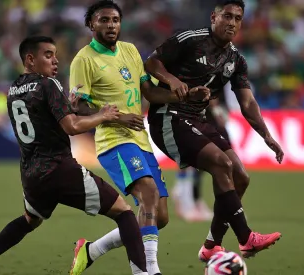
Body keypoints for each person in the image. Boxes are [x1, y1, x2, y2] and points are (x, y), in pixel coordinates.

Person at [0, 36, 151, 275]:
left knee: (30, 219)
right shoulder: (48, 84)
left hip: (31, 173)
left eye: (55, 55)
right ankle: (143, 273)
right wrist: (103, 115)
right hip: (59, 168)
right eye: (48, 55)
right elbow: (72, 127)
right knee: (125, 213)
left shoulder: (13, 91)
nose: (55, 61)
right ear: (30, 59)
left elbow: (45, 121)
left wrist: (68, 106)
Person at [68, 1, 209, 274]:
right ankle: (148, 270)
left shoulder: (131, 51)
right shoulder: (84, 60)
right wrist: (114, 116)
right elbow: (77, 106)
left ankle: (92, 249)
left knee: (160, 216)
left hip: (140, 140)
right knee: (148, 193)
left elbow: (151, 94)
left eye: (115, 20)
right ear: (91, 24)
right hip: (114, 141)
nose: (111, 25)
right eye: (104, 20)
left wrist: (185, 95)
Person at [144, 0, 284, 260]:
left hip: (199, 120)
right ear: (213, 17)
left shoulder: (236, 59)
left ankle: (211, 246)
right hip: (168, 117)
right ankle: (246, 237)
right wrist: (172, 80)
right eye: (227, 16)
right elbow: (151, 63)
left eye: (238, 18)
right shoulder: (189, 39)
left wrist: (267, 136)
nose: (232, 23)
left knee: (241, 176)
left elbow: (247, 102)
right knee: (221, 164)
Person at [173, 99, 230, 222]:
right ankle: (186, 201)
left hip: (200, 118)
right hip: (187, 117)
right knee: (189, 161)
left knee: (197, 163)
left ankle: (188, 198)